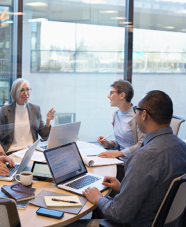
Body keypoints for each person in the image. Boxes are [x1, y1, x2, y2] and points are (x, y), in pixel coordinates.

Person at [66, 90, 186, 227]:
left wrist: (98, 198)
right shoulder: (182, 147)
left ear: (144, 115)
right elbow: (161, 191)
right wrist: (123, 187)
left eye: (136, 110)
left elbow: (119, 213)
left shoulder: (145, 157)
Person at [0, 78, 55, 156]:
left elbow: (45, 136)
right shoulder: (5, 111)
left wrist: (48, 121)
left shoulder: (35, 109)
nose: (26, 93)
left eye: (27, 89)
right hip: (12, 152)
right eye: (22, 90)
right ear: (15, 92)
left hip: (32, 152)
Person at [97, 80, 145, 161]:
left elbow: (142, 144)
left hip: (134, 162)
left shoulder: (137, 117)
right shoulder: (115, 114)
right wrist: (110, 144)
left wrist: (117, 154)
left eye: (111, 93)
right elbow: (123, 142)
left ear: (122, 95)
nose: (108, 96)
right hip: (120, 160)